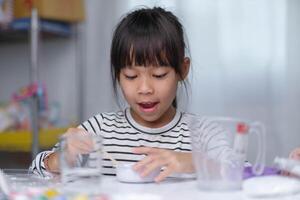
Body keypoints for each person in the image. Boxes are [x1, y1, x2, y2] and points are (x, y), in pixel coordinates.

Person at [30, 7, 230, 182]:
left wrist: (195, 162)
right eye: (131, 76)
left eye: (159, 75)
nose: (145, 88)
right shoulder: (99, 130)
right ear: (118, 74)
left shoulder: (202, 134)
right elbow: (34, 171)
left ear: (183, 70)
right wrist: (61, 158)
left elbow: (245, 173)